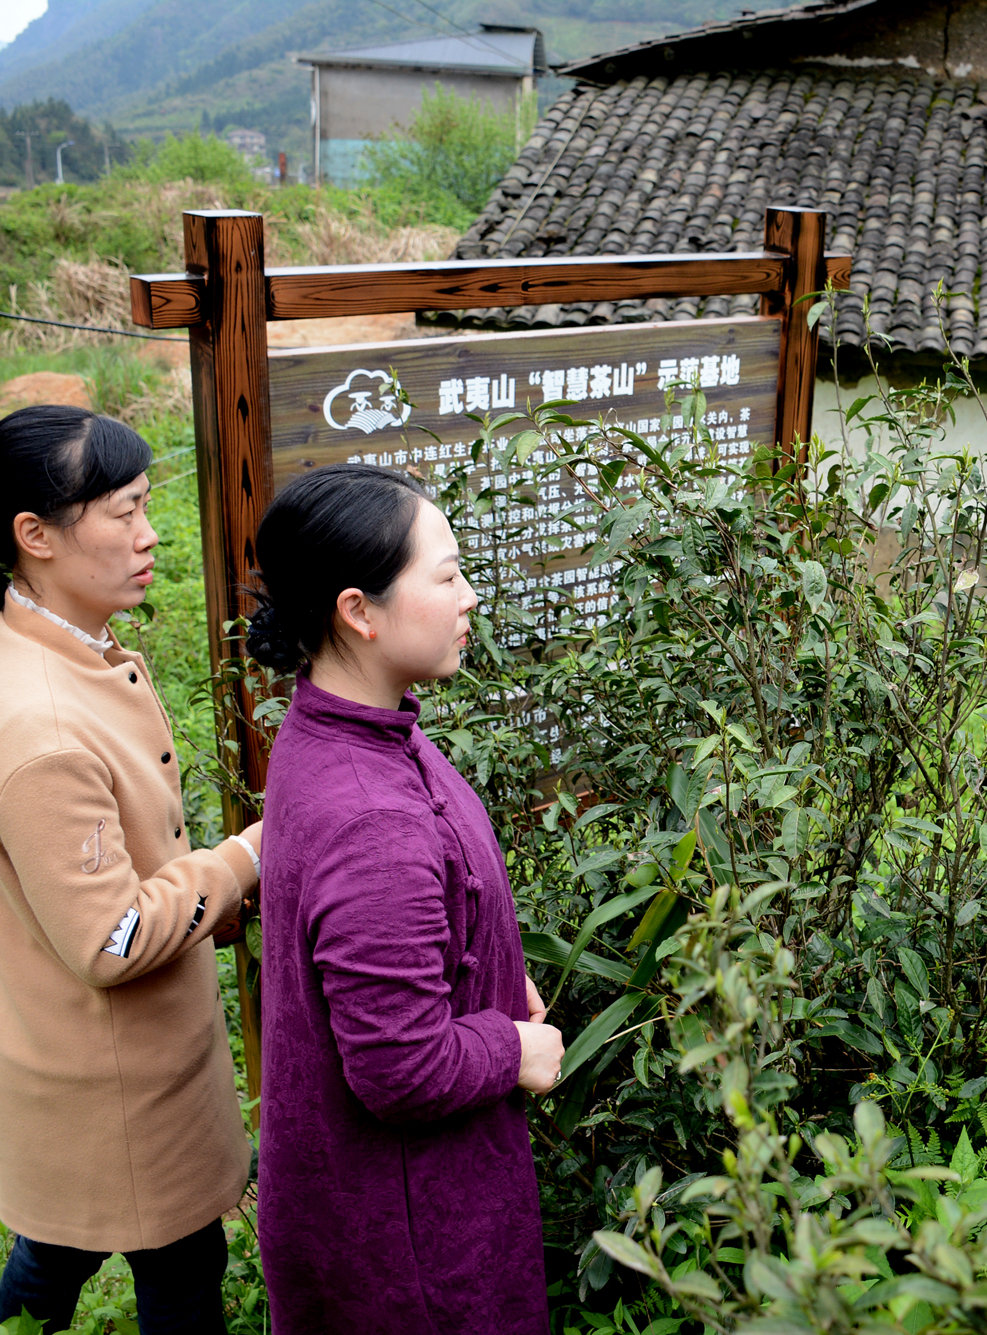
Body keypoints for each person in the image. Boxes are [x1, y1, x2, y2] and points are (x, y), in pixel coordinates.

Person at [0, 406, 261, 1335]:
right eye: (122, 512)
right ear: (35, 537)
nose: (149, 534)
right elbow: (110, 936)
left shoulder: (61, 649)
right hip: (116, 1083)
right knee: (181, 1266)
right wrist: (244, 858)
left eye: (146, 505)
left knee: (59, 1251)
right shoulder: (41, 724)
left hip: (95, 1065)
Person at [246, 464, 563, 1334]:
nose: (469, 596)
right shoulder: (370, 820)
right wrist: (512, 1048)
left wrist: (494, 969)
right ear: (359, 610)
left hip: (386, 1202)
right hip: (406, 1248)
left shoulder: (347, 725)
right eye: (448, 573)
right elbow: (400, 1066)